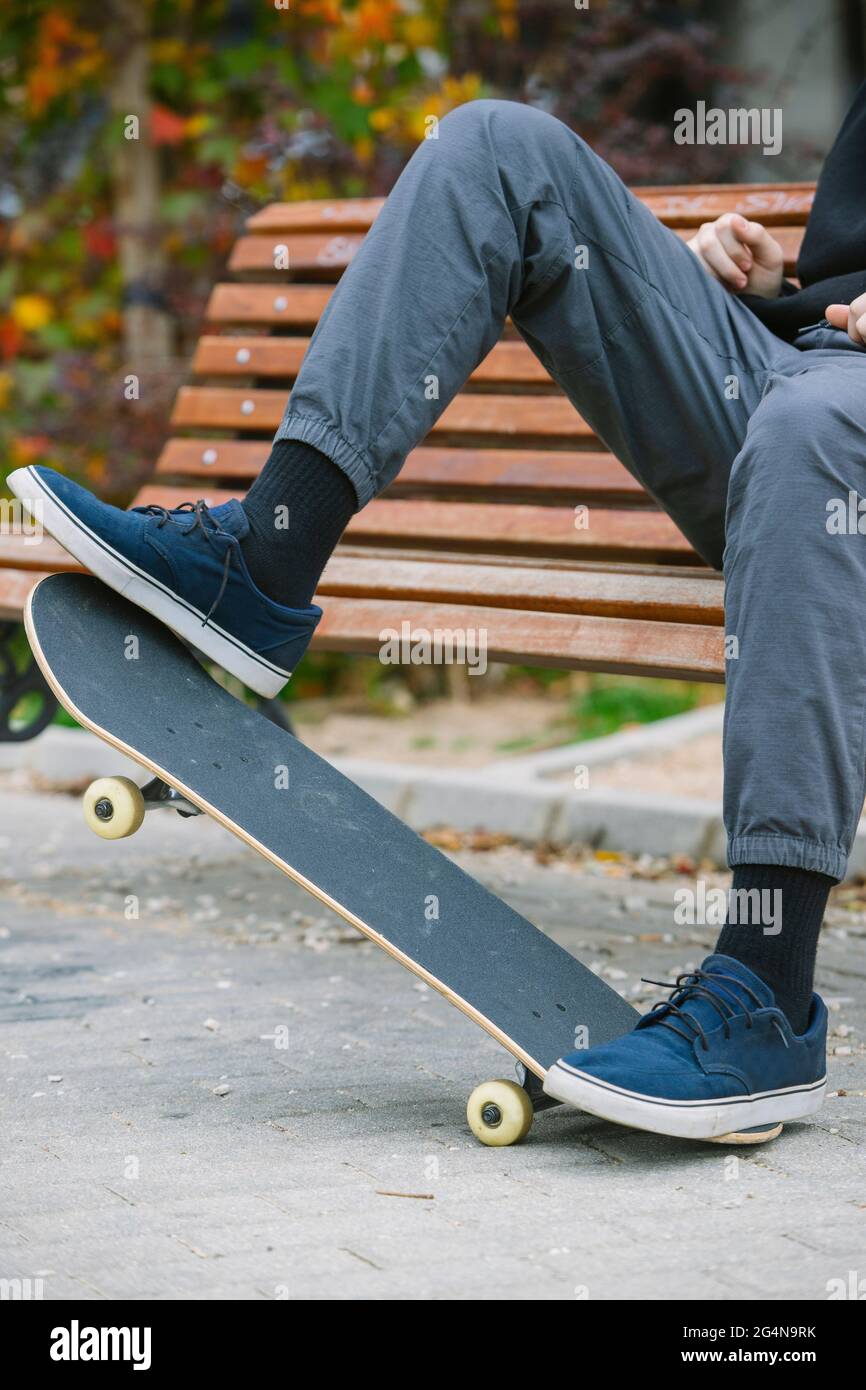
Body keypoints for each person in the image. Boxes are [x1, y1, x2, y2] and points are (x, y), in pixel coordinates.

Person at [11, 85, 866, 1141]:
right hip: (799, 367)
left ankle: (765, 988)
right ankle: (265, 557)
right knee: (494, 148)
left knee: (810, 427)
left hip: (829, 428)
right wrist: (785, 286)